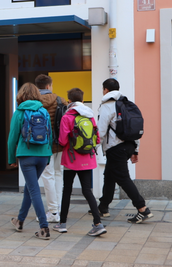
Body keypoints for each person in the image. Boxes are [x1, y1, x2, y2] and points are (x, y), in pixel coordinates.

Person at [97, 78, 152, 223]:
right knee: (109, 175)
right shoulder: (127, 104)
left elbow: (101, 131)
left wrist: (92, 146)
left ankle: (142, 208)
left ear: (106, 90)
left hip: (116, 148)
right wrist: (136, 151)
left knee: (123, 178)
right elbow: (134, 129)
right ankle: (103, 207)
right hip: (129, 146)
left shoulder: (108, 106)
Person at [53, 88, 107, 236]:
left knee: (67, 190)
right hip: (87, 159)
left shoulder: (67, 116)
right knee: (86, 191)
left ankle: (62, 224)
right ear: (83, 101)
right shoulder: (89, 116)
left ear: (69, 101)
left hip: (71, 159)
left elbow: (63, 141)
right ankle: (98, 223)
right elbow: (96, 139)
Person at [8, 82, 53, 240]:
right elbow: (50, 136)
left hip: (26, 156)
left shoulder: (19, 112)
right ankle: (19, 221)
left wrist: (11, 159)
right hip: (43, 155)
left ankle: (44, 227)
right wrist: (48, 157)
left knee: (34, 190)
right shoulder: (44, 111)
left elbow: (12, 138)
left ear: (21, 95)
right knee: (29, 187)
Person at [35, 74, 67, 223]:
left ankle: (53, 211)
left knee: (47, 176)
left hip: (43, 144)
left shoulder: (33, 102)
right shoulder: (60, 100)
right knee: (58, 173)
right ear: (49, 86)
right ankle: (57, 209)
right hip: (60, 143)